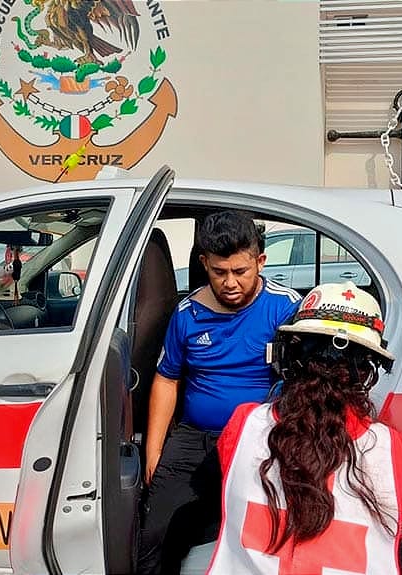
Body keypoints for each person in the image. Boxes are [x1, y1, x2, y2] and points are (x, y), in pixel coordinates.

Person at [206, 282, 402, 575]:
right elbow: (401, 526)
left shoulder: (244, 426)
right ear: (368, 372)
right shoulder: (388, 450)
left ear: (293, 359)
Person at [138, 210, 301, 575]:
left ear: (260, 261)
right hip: (194, 439)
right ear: (204, 264)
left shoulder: (285, 307)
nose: (230, 283)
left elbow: (302, 383)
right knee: (155, 537)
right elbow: (167, 378)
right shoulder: (187, 313)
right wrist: (154, 450)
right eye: (219, 272)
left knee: (261, 539)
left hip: (260, 441)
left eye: (240, 272)